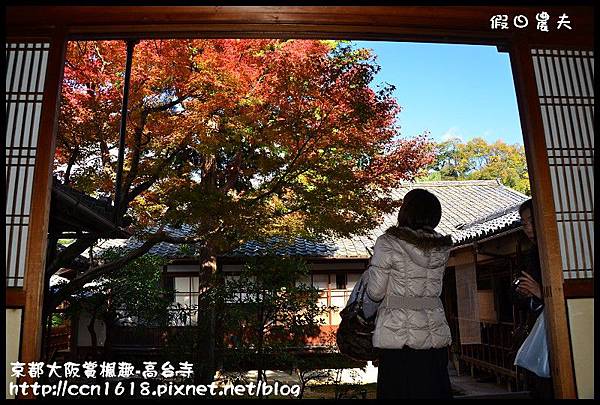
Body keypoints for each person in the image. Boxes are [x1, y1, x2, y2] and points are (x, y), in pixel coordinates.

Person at [365, 188, 453, 399]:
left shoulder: (388, 242)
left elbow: (375, 293)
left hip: (398, 336)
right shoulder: (441, 248)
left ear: (406, 211)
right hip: (434, 333)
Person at [514, 199, 554, 399]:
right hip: (536, 328)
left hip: (558, 332)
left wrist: (541, 292)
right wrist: (524, 293)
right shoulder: (530, 255)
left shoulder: (557, 252)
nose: (528, 228)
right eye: (523, 223)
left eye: (531, 221)